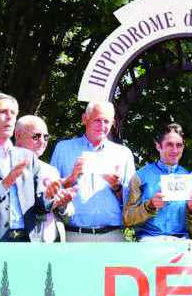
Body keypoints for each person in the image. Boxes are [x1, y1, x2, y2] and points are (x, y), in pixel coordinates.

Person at [0, 93, 69, 242]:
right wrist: (3, 185)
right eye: (3, 112)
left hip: (27, 242)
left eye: (13, 113)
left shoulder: (27, 156)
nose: (9, 117)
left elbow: (38, 207)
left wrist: (49, 196)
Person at [51, 100, 137, 241]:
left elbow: (132, 202)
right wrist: (71, 178)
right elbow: (50, 195)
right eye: (97, 120)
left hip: (112, 236)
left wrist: (117, 187)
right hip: (74, 235)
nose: (102, 126)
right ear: (85, 119)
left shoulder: (123, 154)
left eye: (106, 121)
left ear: (113, 123)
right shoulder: (63, 149)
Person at [122, 123, 192, 240]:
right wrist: (150, 206)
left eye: (179, 145)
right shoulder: (140, 177)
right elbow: (127, 219)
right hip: (149, 241)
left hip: (181, 242)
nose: (175, 150)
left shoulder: (191, 180)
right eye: (169, 145)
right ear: (158, 146)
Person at [13, 114, 75, 242]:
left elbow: (68, 216)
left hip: (54, 245)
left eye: (46, 137)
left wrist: (64, 203)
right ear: (18, 136)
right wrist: (51, 202)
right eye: (36, 136)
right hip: (23, 243)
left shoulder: (51, 171)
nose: (42, 141)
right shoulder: (9, 169)